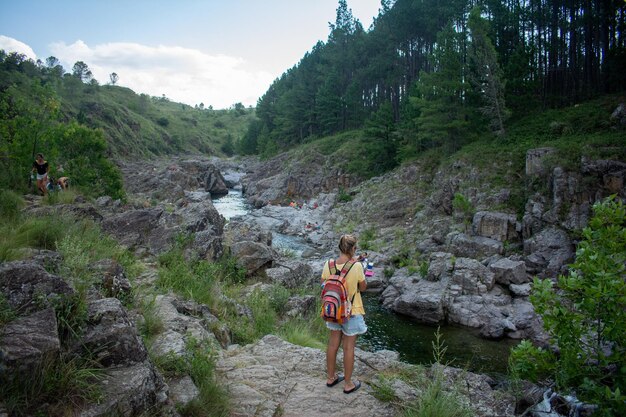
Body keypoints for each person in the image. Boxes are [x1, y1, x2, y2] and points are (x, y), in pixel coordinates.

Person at [321, 234, 367, 394]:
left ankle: (331, 377)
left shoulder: (328, 264)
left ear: (340, 247)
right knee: (348, 347)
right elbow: (363, 288)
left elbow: (324, 284)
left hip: (333, 310)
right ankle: (348, 384)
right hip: (352, 311)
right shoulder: (357, 266)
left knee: (333, 344)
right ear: (353, 249)